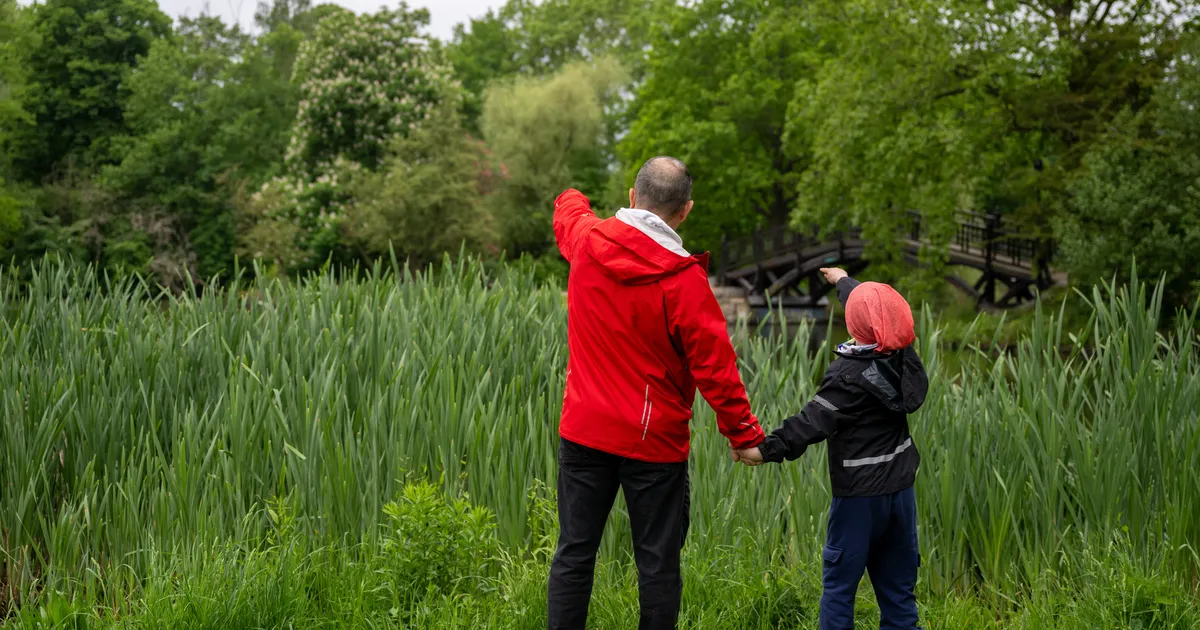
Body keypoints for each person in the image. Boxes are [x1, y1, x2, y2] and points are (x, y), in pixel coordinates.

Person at [548, 156, 766, 630]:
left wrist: (570, 193)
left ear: (631, 196)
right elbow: (716, 368)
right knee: (657, 565)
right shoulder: (683, 280)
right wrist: (743, 435)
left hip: (584, 431)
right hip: (653, 444)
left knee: (574, 553)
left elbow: (569, 211)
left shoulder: (587, 241)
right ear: (685, 211)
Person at [735, 267, 928, 630]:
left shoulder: (847, 376)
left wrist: (765, 449)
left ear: (856, 324)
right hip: (901, 491)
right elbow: (876, 310)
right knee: (899, 591)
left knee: (840, 588)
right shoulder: (904, 359)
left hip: (859, 498)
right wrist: (843, 281)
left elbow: (811, 423)